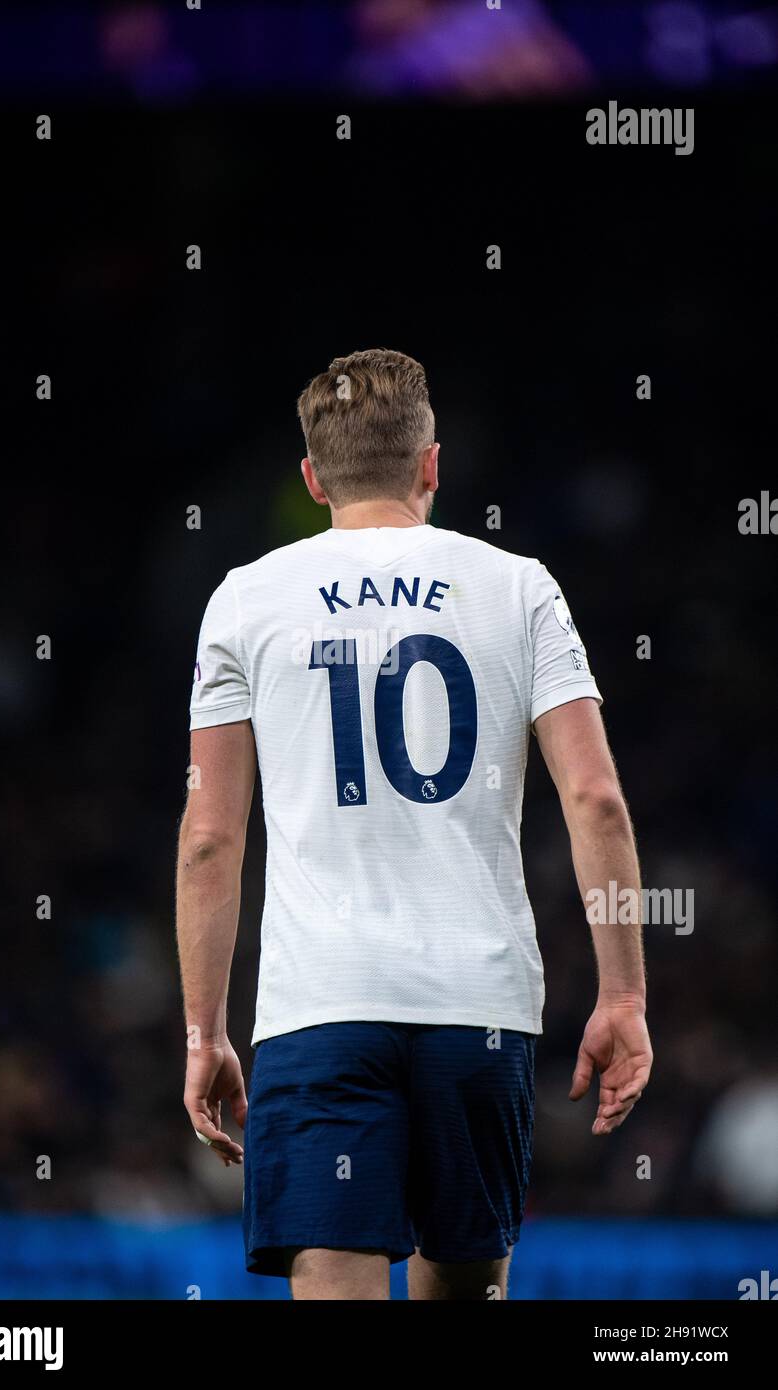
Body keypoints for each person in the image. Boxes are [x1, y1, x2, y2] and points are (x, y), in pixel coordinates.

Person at [176, 348, 652, 1300]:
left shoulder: (245, 599)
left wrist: (203, 1031)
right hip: (476, 1010)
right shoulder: (520, 588)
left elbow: (209, 839)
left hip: (320, 1010)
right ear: (432, 464)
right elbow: (595, 797)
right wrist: (623, 995)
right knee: (467, 1288)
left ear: (312, 478)